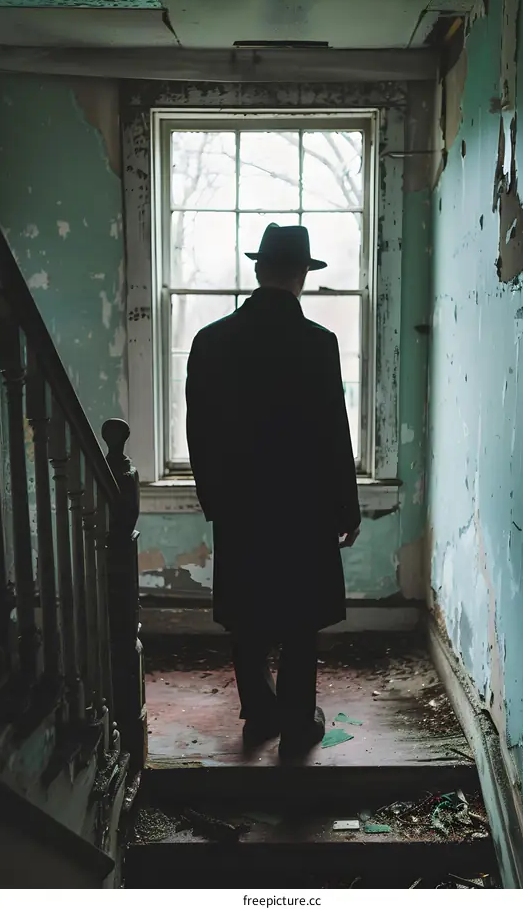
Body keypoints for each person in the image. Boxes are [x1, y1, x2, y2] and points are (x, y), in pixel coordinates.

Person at [186, 223, 360, 758]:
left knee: (248, 609)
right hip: (303, 506)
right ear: (302, 277)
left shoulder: (211, 341)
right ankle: (296, 722)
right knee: (300, 615)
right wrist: (345, 505)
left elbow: (200, 431)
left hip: (241, 502)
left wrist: (214, 497)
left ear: (259, 270)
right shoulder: (318, 345)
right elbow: (334, 432)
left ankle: (259, 712)